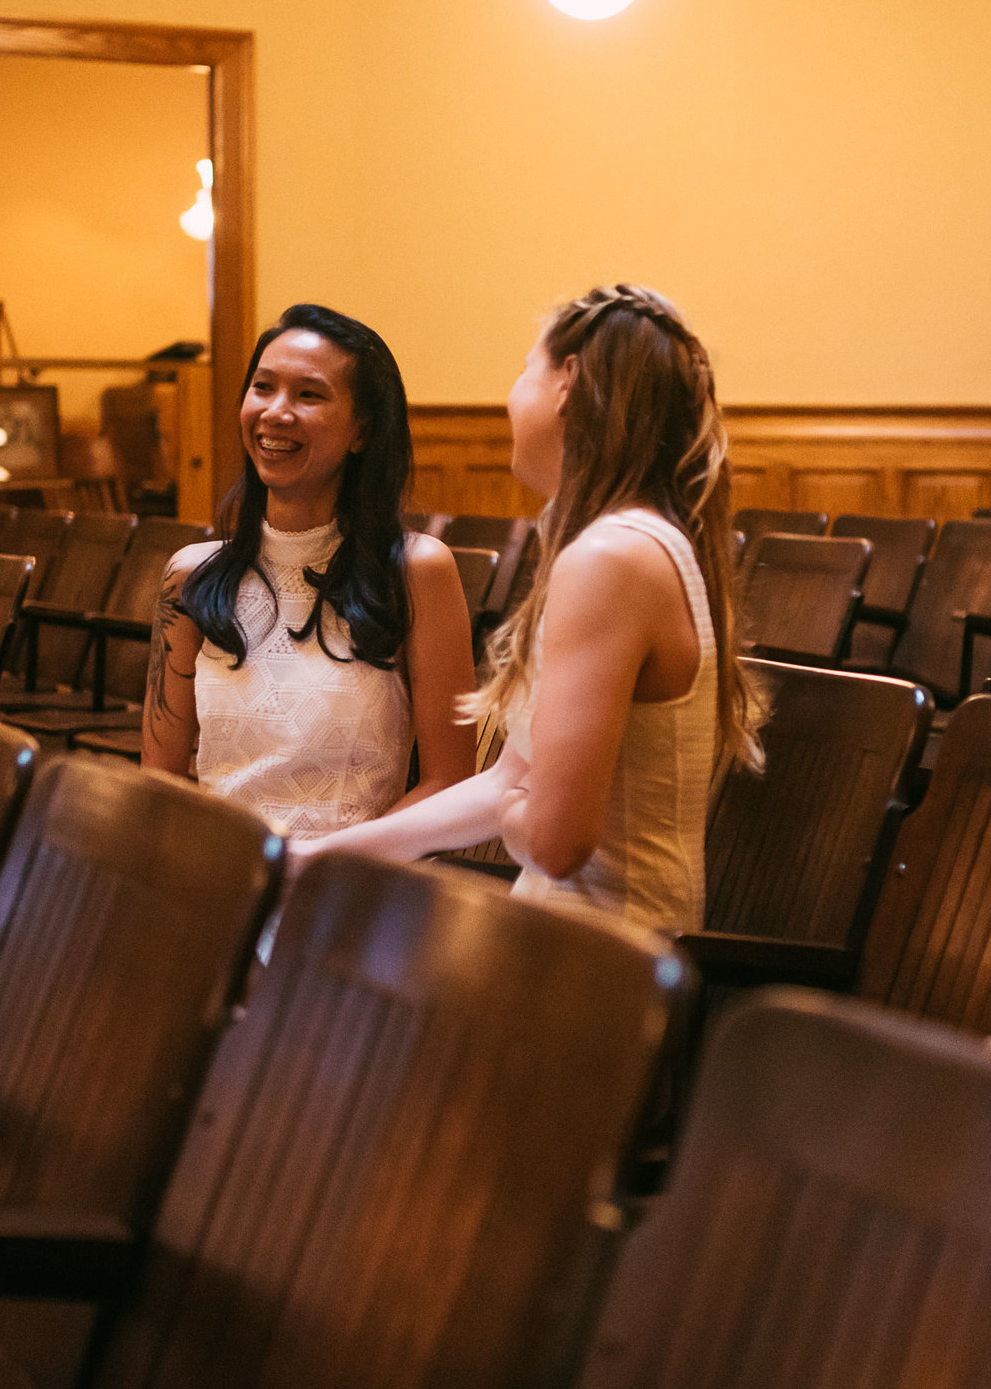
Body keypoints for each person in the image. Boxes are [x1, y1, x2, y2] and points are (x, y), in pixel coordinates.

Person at [305, 284, 759, 933]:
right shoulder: (621, 543)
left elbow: (555, 843)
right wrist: (315, 856)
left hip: (604, 961)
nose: (510, 397)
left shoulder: (612, 558)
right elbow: (504, 788)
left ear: (568, 382)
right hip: (568, 936)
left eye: (524, 370)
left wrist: (525, 805)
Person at [140, 304, 476, 835]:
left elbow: (450, 783)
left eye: (309, 394)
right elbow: (158, 779)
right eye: (263, 387)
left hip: (349, 888)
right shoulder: (191, 576)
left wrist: (319, 868)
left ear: (361, 431)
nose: (276, 412)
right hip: (221, 881)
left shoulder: (416, 571)